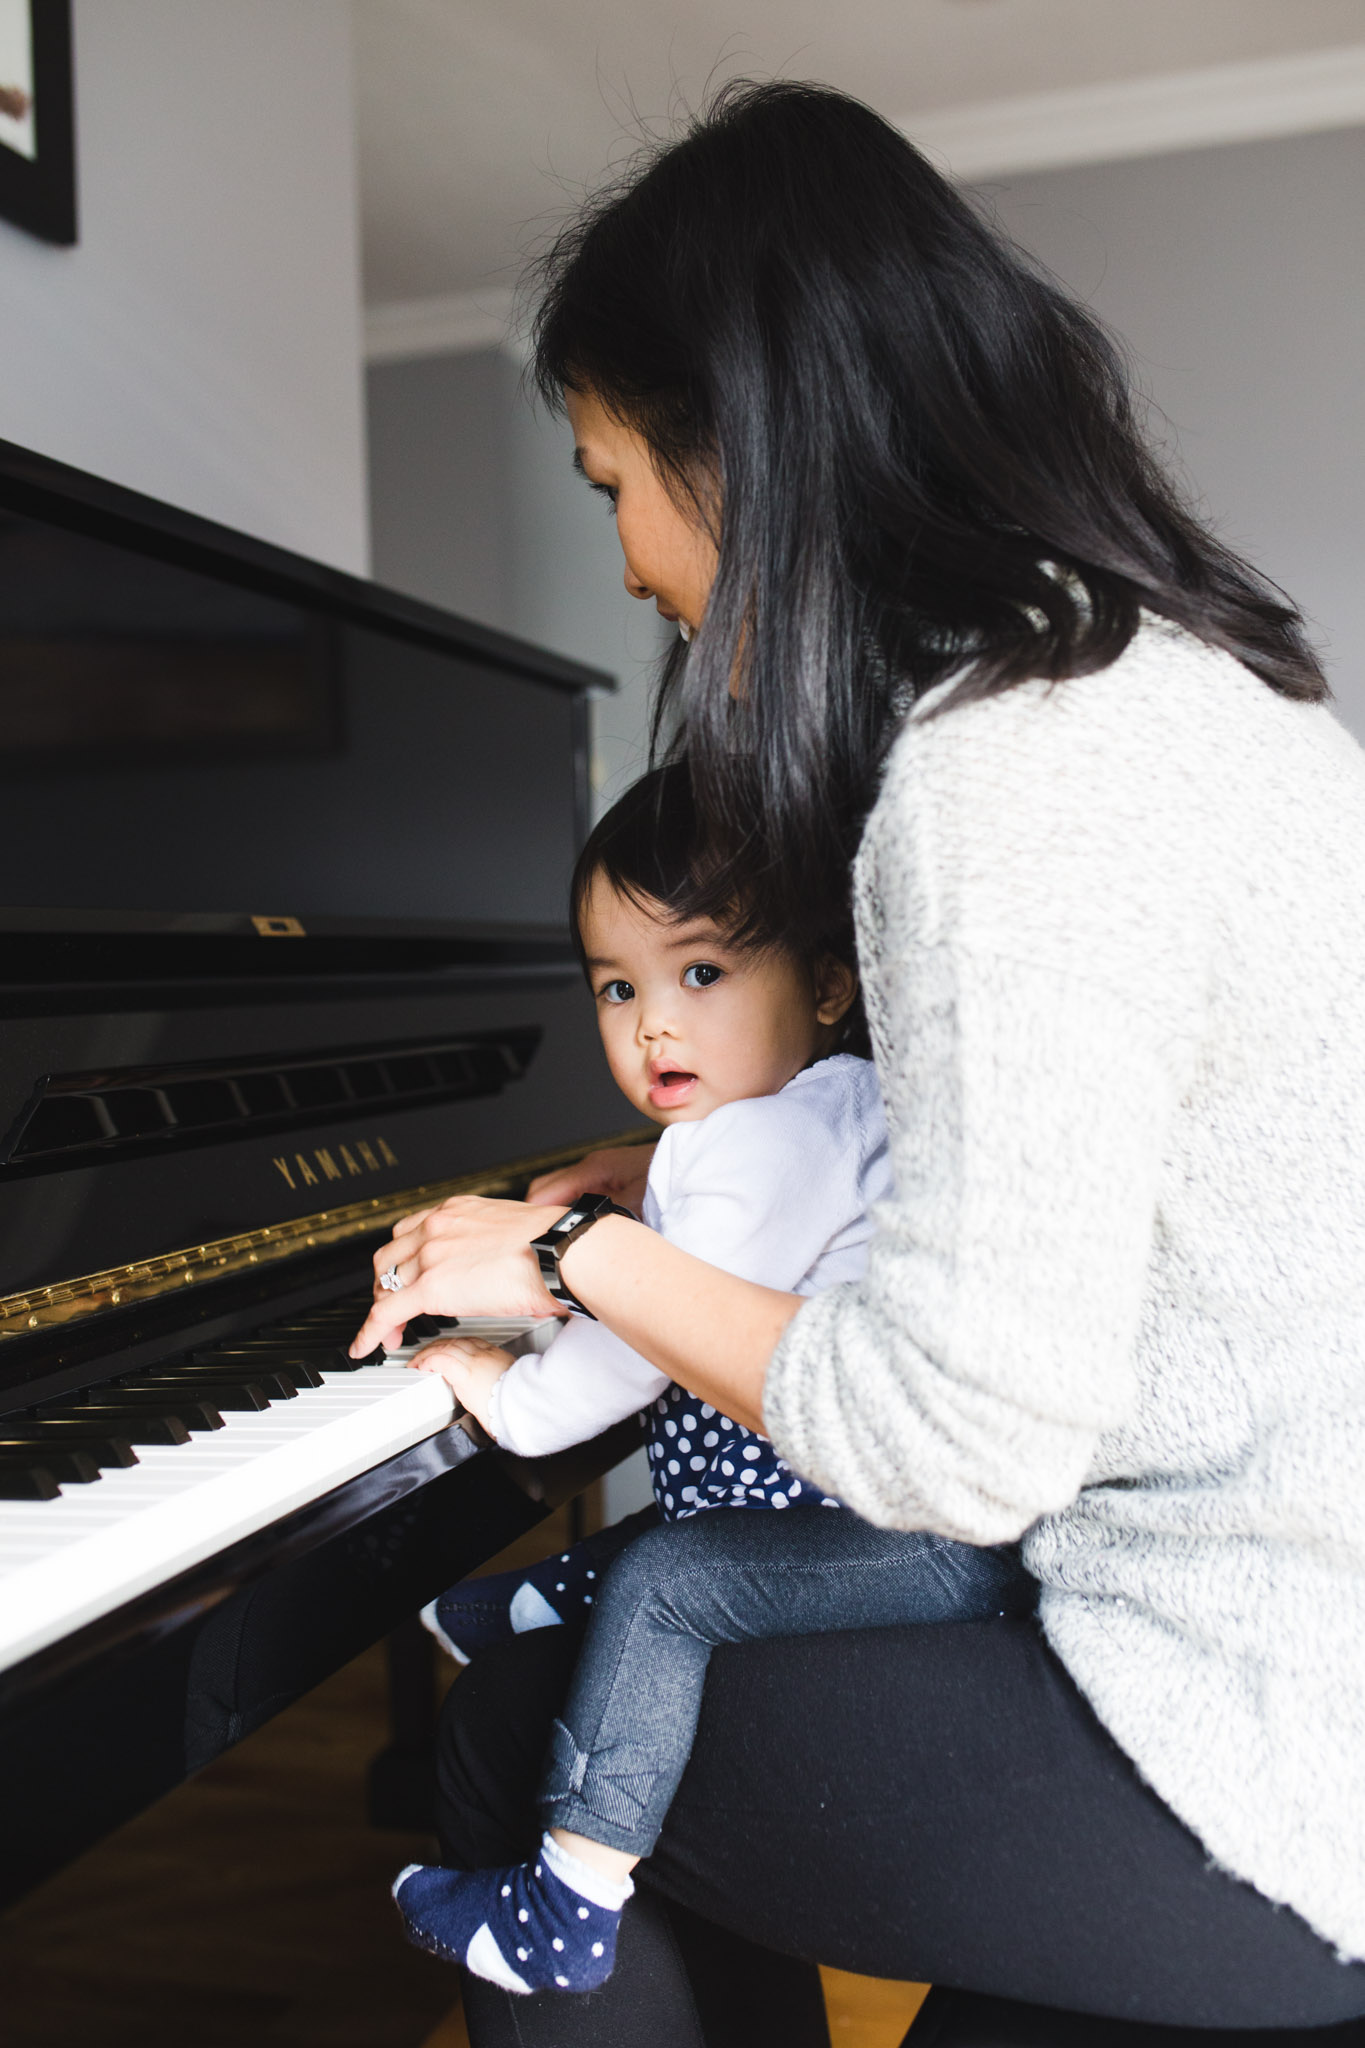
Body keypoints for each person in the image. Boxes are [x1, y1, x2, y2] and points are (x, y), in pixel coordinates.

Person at [351, 82, 1365, 2046]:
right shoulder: (1164, 690)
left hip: (1267, 1732)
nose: (637, 566)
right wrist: (652, 1189)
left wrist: (571, 1268)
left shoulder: (1004, 781)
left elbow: (946, 1437)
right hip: (1300, 1619)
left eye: (612, 486)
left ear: (739, 458)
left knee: (521, 1730)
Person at [393, 760, 1034, 1992]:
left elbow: (644, 1344)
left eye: (701, 973)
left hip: (909, 1535)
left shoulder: (766, 1143)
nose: (653, 1024)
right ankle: (546, 1601)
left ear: (830, 982)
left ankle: (569, 1899)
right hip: (903, 1509)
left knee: (681, 1580)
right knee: (691, 1535)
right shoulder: (816, 1110)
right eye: (617, 986)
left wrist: (511, 1391)